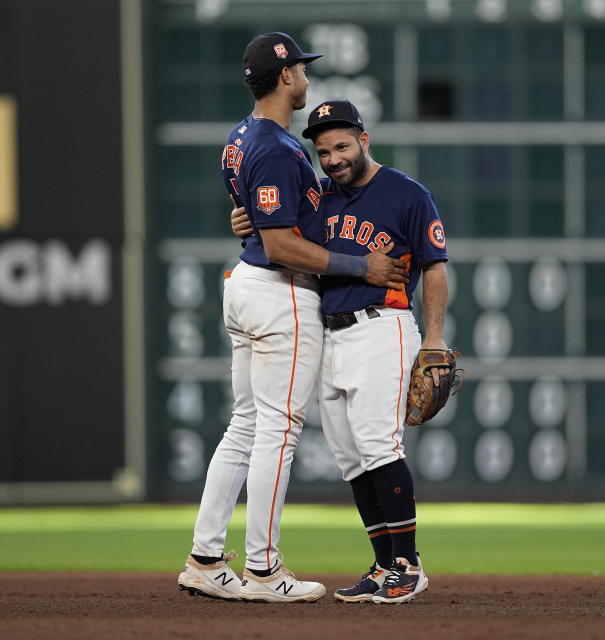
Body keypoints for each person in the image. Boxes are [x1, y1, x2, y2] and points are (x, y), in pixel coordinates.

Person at [177, 34, 408, 604]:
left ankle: (206, 557)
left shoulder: (239, 137)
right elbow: (281, 242)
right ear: (285, 78)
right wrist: (361, 265)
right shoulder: (280, 148)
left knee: (246, 427)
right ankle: (263, 568)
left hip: (245, 286)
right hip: (279, 292)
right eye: (301, 69)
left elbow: (256, 215)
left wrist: (251, 223)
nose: (306, 78)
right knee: (277, 432)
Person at [231, 100, 452, 604]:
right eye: (323, 150)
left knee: (378, 446)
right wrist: (245, 220)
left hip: (383, 326)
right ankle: (382, 564)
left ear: (364, 139)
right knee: (352, 460)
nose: (332, 158)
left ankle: (407, 564)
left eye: (342, 146)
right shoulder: (317, 199)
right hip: (327, 332)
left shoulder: (407, 194)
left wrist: (436, 338)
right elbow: (280, 235)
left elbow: (435, 265)